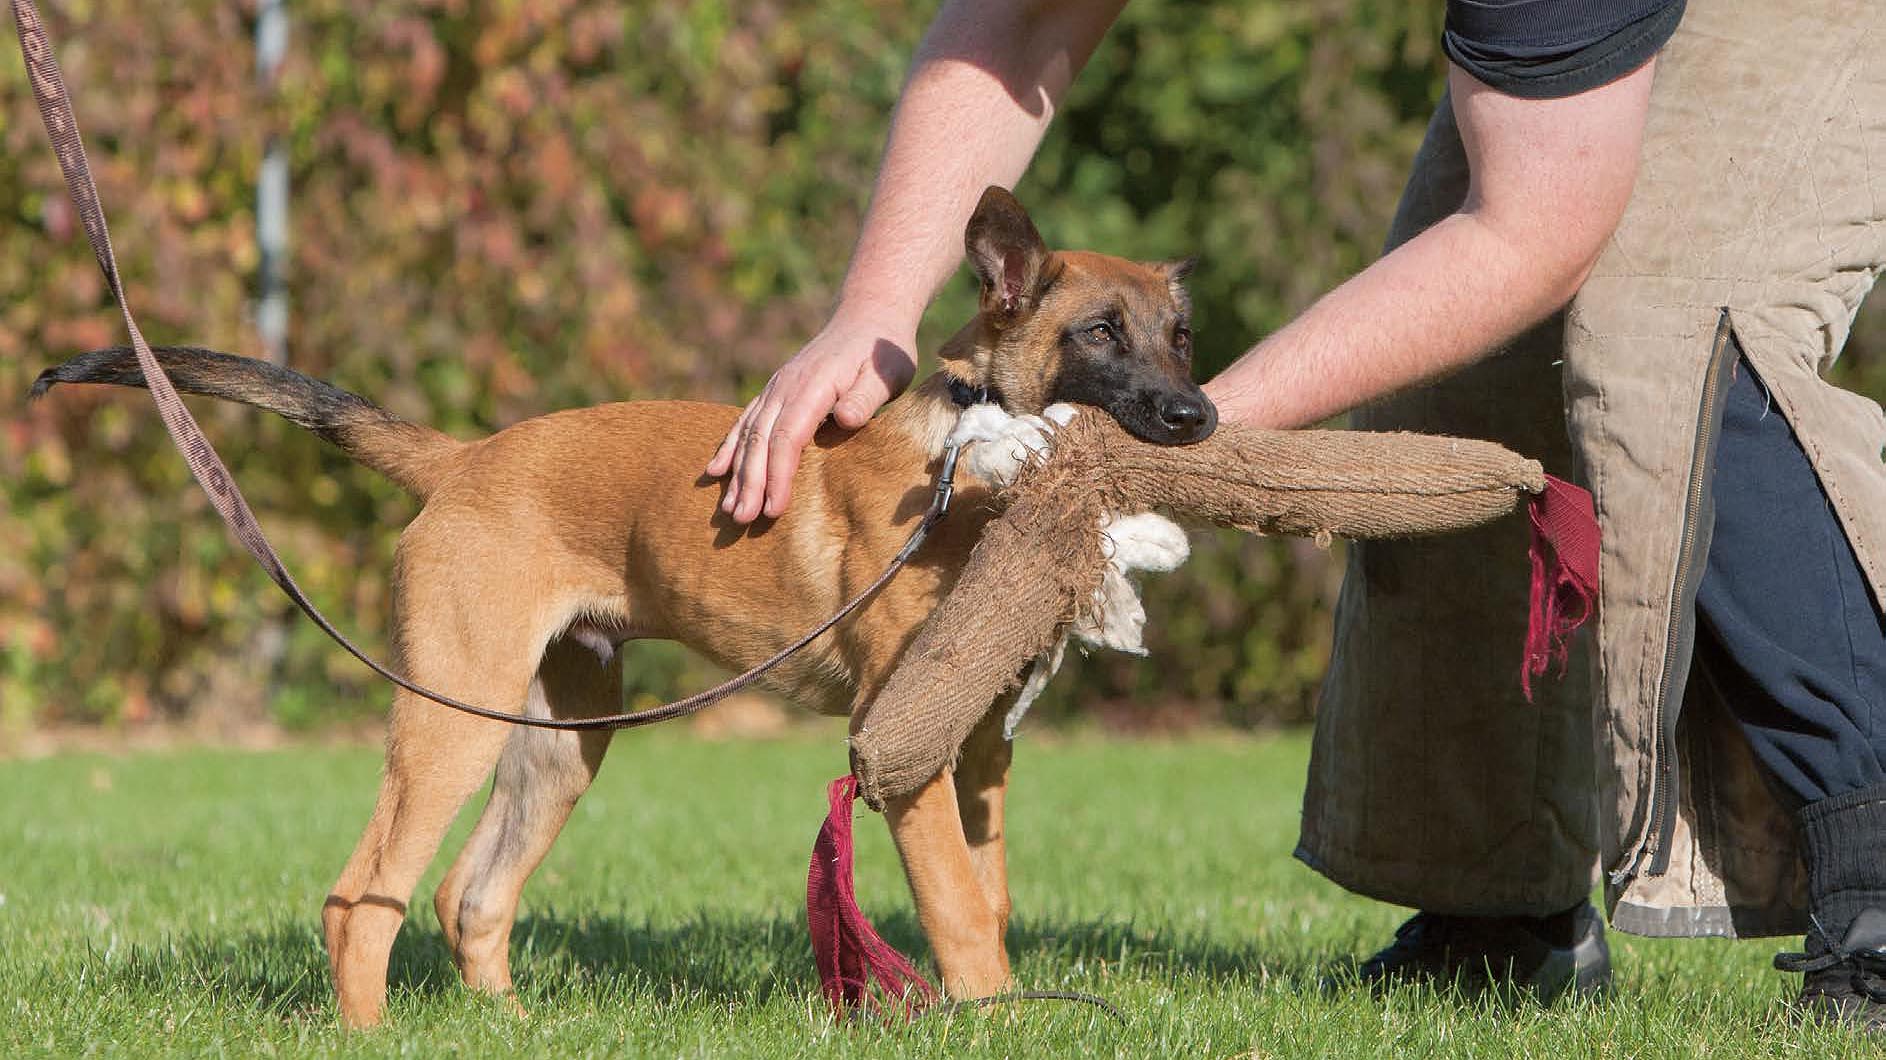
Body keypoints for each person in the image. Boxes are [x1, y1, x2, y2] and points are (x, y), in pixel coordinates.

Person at [706, 0, 1886, 1027]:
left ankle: (1874, 883)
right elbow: (1015, 22)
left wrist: (1182, 440)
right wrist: (870, 310)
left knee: (1662, 333)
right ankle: (1499, 916)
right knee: (1445, 380)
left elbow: (1535, 225)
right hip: (1574, 54)